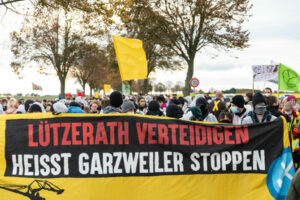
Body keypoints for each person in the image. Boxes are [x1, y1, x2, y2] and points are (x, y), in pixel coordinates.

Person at [282, 101, 300, 169]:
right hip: (285, 141)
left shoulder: (297, 115)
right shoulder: (281, 114)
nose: (287, 111)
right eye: (285, 110)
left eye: (288, 110)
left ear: (292, 109)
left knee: (296, 161)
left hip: (295, 143)